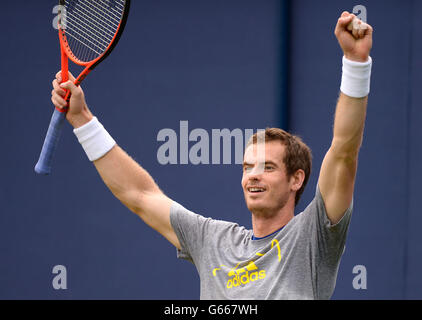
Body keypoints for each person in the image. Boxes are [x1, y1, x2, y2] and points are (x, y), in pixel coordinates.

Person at [50, 11, 373, 299]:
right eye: (247, 167)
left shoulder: (314, 236)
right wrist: (82, 119)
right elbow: (139, 194)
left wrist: (355, 64)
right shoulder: (212, 240)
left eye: (267, 167)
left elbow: (344, 151)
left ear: (296, 179)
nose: (253, 175)